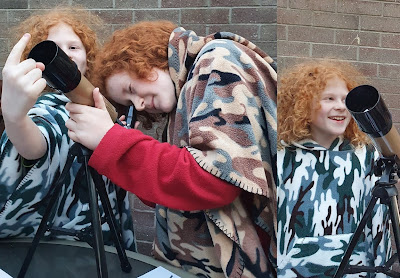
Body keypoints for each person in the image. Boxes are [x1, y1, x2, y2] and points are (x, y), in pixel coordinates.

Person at [64, 21, 277, 277]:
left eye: (131, 89)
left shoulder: (217, 60)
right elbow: (170, 193)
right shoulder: (184, 94)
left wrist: (113, 142)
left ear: (146, 58)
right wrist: (119, 141)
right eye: (130, 103)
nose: (140, 105)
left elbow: (214, 179)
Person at [0, 7, 135, 251]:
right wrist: (15, 118)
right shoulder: (44, 109)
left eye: (73, 47)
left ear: (88, 58)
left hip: (105, 231)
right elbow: (37, 142)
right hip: (62, 248)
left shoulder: (101, 104)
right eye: (54, 47)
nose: (65, 54)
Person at [276, 60, 392, 277]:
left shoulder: (365, 157)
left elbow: (379, 223)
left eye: (345, 99)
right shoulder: (282, 158)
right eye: (329, 98)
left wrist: (380, 272)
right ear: (302, 105)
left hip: (354, 270)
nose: (341, 106)